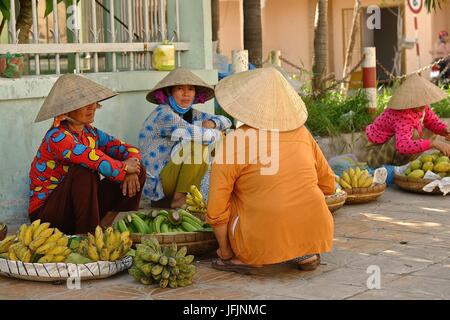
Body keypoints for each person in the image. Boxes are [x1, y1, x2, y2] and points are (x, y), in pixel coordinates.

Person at [206, 67, 335, 273]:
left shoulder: (236, 139)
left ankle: (239, 257)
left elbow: (216, 207)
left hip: (260, 237)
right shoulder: (302, 133)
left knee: (216, 189)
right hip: (315, 228)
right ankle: (305, 253)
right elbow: (328, 185)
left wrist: (225, 252)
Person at [29, 74, 146, 235]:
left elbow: (127, 149)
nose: (91, 107)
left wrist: (133, 167)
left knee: (140, 169)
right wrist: (126, 167)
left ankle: (107, 221)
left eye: (92, 102)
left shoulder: (91, 133)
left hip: (80, 209)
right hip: (49, 215)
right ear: (67, 109)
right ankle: (88, 235)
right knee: (83, 171)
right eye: (83, 103)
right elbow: (93, 158)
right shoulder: (57, 137)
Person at [139, 68, 232, 208]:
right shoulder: (164, 114)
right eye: (179, 88)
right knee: (198, 146)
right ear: (169, 92)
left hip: (172, 175)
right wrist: (218, 133)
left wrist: (213, 123)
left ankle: (196, 194)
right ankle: (180, 198)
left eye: (190, 89)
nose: (186, 93)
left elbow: (226, 121)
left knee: (215, 142)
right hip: (158, 185)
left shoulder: (189, 113)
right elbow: (204, 136)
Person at [365, 73, 450, 168]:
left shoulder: (423, 107)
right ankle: (400, 165)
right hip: (375, 153)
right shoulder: (402, 114)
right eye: (418, 102)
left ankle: (409, 162)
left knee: (431, 130)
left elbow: (433, 122)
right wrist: (433, 143)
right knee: (414, 134)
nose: (423, 105)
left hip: (393, 144)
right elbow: (403, 145)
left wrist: (444, 131)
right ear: (410, 100)